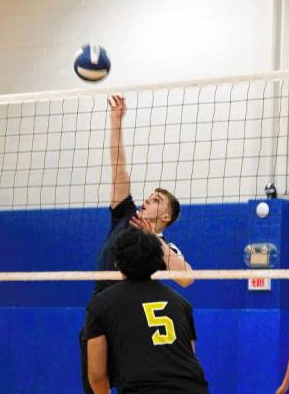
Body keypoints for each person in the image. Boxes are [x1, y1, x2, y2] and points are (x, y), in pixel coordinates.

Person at [81, 94, 195, 393]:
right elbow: (118, 167)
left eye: (156, 200)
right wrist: (116, 122)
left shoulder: (161, 246)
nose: (147, 201)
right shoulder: (124, 216)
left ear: (167, 216)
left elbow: (186, 278)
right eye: (148, 197)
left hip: (132, 321)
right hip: (102, 308)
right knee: (96, 383)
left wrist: (154, 240)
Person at [85, 228, 208, 394]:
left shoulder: (100, 303)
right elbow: (190, 354)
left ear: (117, 262)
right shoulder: (181, 302)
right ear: (158, 262)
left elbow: (97, 374)